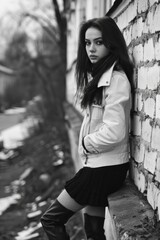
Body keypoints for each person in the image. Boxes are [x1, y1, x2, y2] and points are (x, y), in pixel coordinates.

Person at [41, 16, 134, 240]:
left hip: (104, 169)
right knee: (93, 231)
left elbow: (115, 131)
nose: (91, 48)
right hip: (101, 165)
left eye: (98, 42)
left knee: (51, 220)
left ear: (111, 43)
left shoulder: (116, 80)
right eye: (87, 42)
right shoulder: (100, 78)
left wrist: (84, 143)